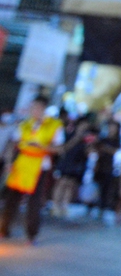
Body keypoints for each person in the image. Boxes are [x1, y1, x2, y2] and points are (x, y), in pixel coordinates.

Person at [0, 95, 64, 243]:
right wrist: (9, 161)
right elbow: (13, 144)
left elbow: (59, 148)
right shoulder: (25, 124)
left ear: (43, 109)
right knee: (11, 198)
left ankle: (31, 233)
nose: (33, 111)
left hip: (39, 165)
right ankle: (4, 228)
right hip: (21, 164)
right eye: (32, 108)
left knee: (34, 201)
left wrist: (43, 147)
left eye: (36, 108)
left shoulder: (54, 125)